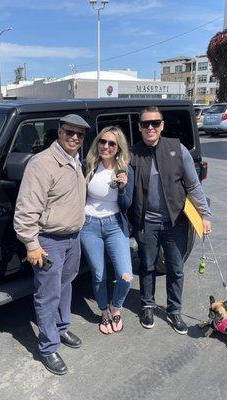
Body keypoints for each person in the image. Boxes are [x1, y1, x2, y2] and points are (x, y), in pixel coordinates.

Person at [13, 114, 89, 375]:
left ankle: (61, 328)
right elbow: (26, 210)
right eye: (70, 132)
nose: (75, 138)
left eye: (80, 134)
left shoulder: (75, 160)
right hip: (49, 241)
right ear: (60, 132)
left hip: (72, 238)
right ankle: (48, 347)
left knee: (66, 287)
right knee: (47, 295)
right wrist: (32, 245)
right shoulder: (42, 163)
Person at [131, 106, 212, 334]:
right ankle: (147, 305)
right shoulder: (133, 154)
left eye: (155, 123)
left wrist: (205, 215)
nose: (150, 127)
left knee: (176, 269)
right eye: (145, 123)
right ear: (139, 127)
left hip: (175, 222)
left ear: (162, 125)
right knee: (147, 267)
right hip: (147, 223)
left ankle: (174, 311)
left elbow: (194, 186)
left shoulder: (177, 149)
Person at [80, 126, 134, 335]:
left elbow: (127, 204)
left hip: (115, 225)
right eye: (102, 141)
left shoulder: (125, 170)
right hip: (89, 225)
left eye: (112, 143)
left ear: (118, 148)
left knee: (125, 276)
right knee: (99, 274)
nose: (106, 146)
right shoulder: (88, 166)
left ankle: (116, 307)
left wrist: (122, 188)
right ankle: (104, 312)